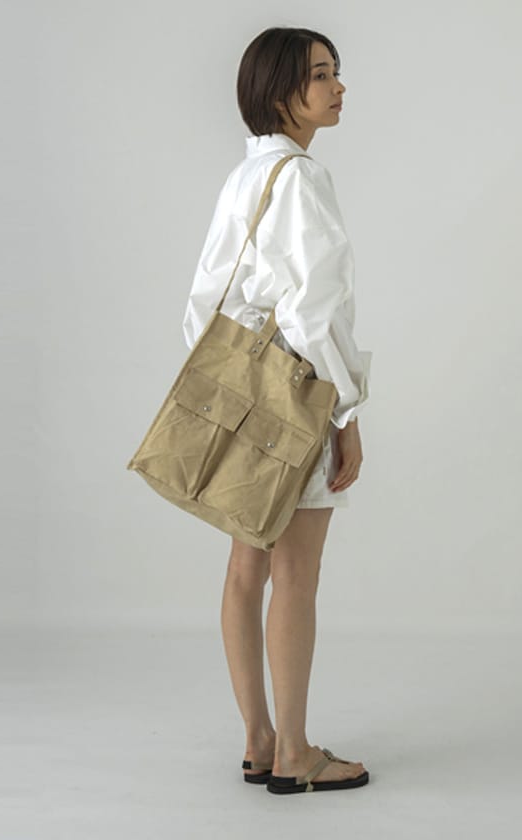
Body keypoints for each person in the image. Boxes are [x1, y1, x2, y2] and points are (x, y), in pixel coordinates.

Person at [182, 27, 372, 794]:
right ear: (279, 91)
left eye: (335, 72)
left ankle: (259, 741)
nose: (338, 86)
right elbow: (316, 310)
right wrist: (345, 411)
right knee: (295, 575)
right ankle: (296, 754)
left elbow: (202, 304)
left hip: (241, 395)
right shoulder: (301, 179)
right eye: (321, 75)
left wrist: (229, 390)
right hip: (297, 391)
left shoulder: (244, 177)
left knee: (245, 569)